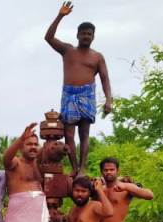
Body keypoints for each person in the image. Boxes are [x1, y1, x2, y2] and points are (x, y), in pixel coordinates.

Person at [45, 1, 113, 176]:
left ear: (93, 36)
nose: (86, 36)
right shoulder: (67, 50)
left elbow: (105, 79)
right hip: (69, 94)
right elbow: (49, 37)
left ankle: (82, 168)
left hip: (87, 93)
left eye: (89, 34)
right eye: (83, 33)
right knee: (69, 133)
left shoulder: (97, 57)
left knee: (84, 133)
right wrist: (60, 15)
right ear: (77, 35)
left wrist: (108, 100)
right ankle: (74, 168)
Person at [3, 124, 50, 222]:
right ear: (21, 146)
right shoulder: (15, 163)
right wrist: (21, 137)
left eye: (36, 144)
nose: (33, 147)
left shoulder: (40, 165)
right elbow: (6, 157)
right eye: (29, 144)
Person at [98, 157, 154, 222]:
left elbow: (149, 195)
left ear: (117, 170)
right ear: (101, 172)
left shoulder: (125, 187)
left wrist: (127, 187)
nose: (109, 172)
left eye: (112, 169)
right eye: (106, 170)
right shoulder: (99, 188)